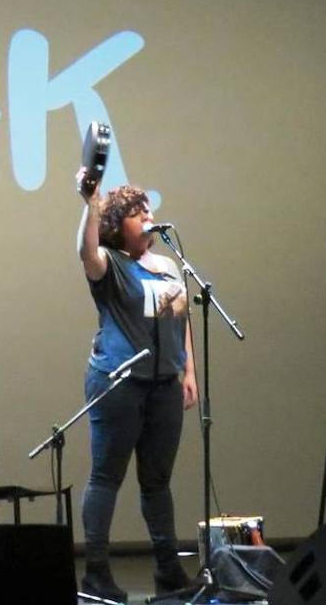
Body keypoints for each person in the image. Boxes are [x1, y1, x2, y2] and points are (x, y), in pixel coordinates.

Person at [75, 167, 198, 601]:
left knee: (158, 481)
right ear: (117, 224)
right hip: (118, 382)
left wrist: (188, 372)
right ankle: (96, 574)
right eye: (135, 211)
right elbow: (85, 250)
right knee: (107, 476)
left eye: (147, 207)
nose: (146, 215)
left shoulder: (167, 266)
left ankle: (168, 571)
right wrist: (91, 204)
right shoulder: (111, 266)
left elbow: (181, 320)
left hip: (164, 383)